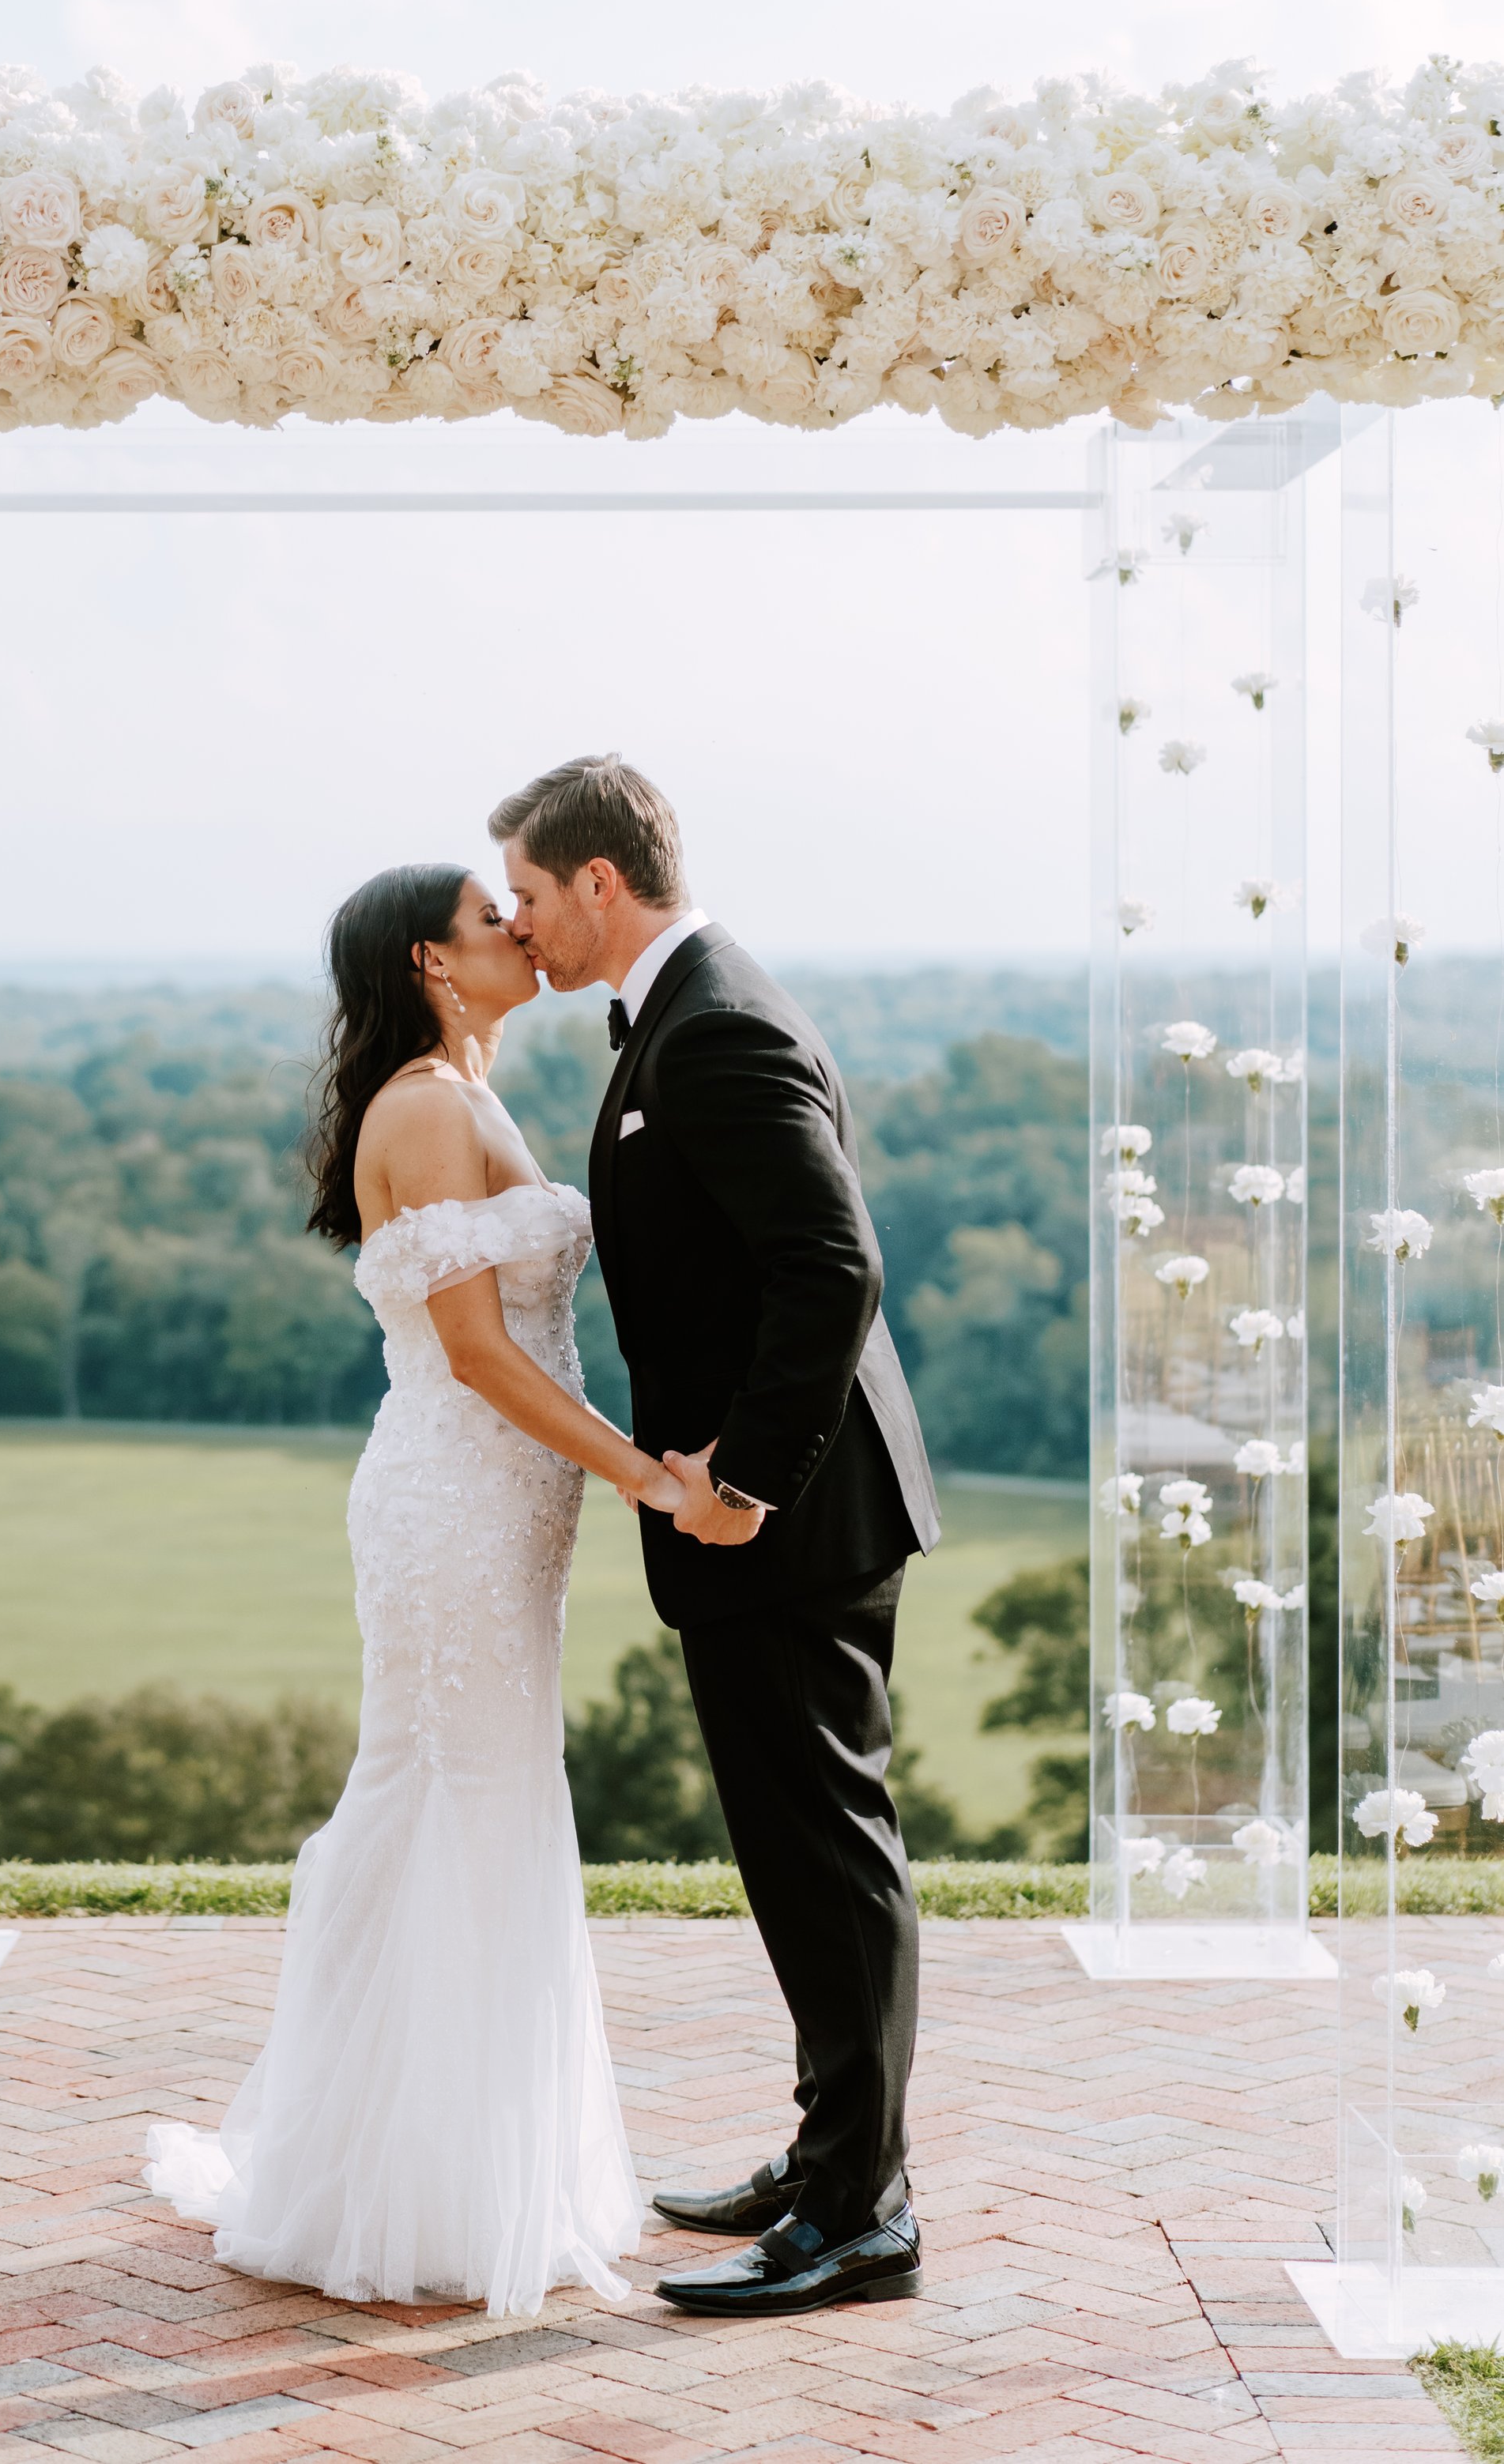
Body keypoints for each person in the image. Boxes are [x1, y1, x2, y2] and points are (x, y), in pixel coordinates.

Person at [144, 861, 660, 2315]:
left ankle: (436, 2158)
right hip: (454, 1503)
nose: (520, 926)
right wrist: (643, 1472)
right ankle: (422, 2190)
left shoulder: (467, 1084)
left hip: (500, 1508)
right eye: (492, 917)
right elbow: (483, 1353)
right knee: (460, 1793)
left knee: (472, 1791)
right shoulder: (428, 1107)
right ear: (433, 960)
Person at [493, 755, 941, 2320]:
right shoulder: (687, 1012)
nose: (522, 923)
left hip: (791, 1518)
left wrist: (741, 1484)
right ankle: (831, 2156)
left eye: (534, 895)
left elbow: (830, 1268)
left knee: (824, 1853)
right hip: (768, 1515)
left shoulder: (719, 1023)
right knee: (791, 1848)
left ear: (598, 883)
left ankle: (858, 2218)